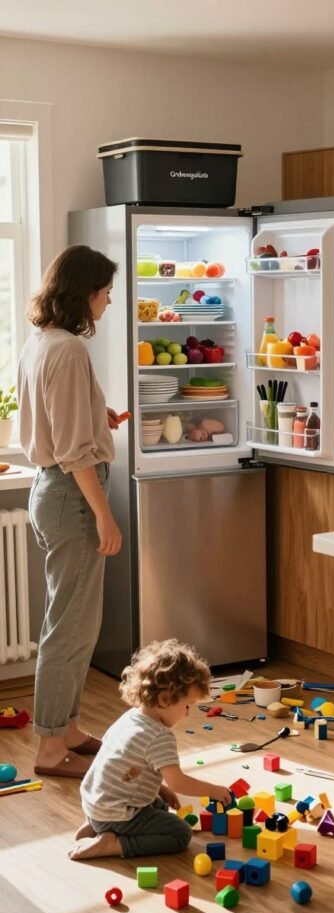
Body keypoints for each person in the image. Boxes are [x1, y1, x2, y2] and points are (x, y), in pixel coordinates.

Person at [18, 245, 123, 779]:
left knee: (77, 622)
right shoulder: (69, 351)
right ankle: (50, 749)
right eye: (104, 292)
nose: (107, 301)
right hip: (71, 494)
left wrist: (96, 413)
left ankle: (69, 729)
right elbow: (73, 451)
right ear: (83, 292)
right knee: (69, 626)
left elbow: (54, 418)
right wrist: (104, 515)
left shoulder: (43, 342)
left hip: (53, 490)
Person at [68, 639, 232, 860]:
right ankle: (115, 843)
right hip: (118, 813)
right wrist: (213, 790)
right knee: (180, 833)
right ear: (165, 699)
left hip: (94, 803)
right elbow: (179, 782)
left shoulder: (130, 718)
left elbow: (117, 766)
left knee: (161, 805)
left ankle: (96, 825)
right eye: (187, 705)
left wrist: (160, 788)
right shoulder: (159, 736)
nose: (187, 714)